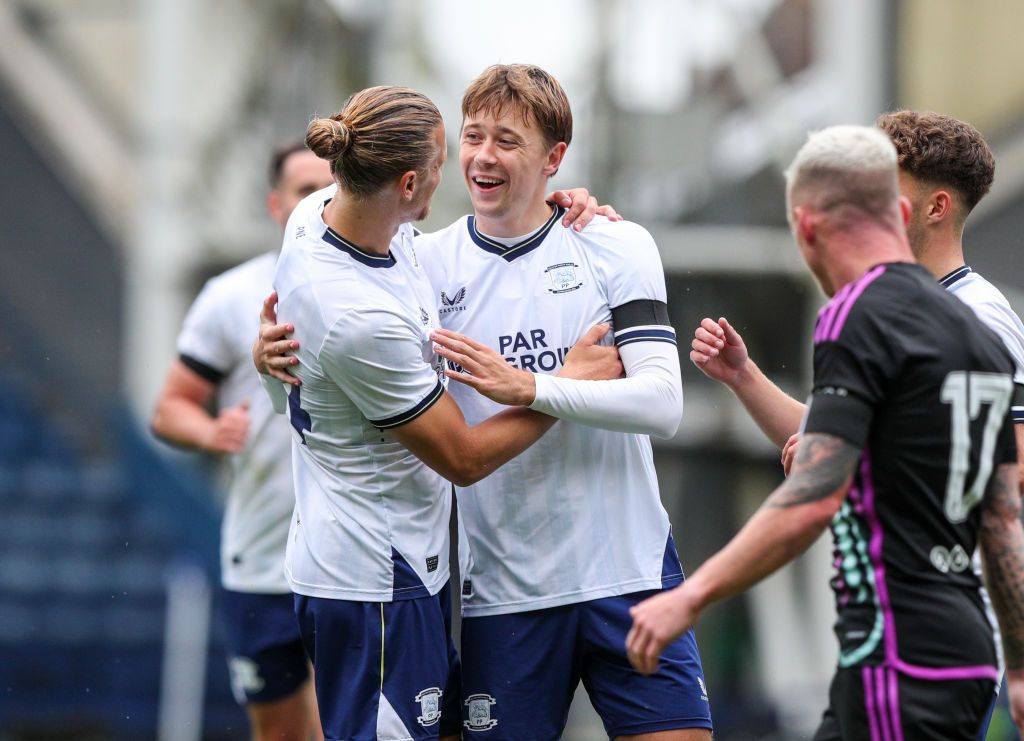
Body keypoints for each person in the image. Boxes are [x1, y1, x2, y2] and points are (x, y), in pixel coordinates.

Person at [259, 64, 711, 740]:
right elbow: (349, 357)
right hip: (504, 592)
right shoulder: (422, 264)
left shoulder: (614, 244)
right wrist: (268, 360)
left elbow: (662, 403)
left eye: (508, 140)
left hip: (632, 572)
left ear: (555, 159)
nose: (481, 157)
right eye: (472, 137)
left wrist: (531, 384)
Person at [626, 125, 1024, 739]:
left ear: (805, 227)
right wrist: (747, 378)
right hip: (955, 643)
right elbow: (993, 508)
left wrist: (692, 594)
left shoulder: (885, 313)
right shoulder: (953, 326)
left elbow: (816, 491)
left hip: (900, 643)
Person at [151, 142, 333, 741]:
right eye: (306, 188)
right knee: (281, 732)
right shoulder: (231, 297)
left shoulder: (392, 282)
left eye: (334, 185)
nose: (322, 199)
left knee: (353, 725)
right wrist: (209, 430)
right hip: (261, 557)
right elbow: (170, 407)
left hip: (355, 553)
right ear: (276, 203)